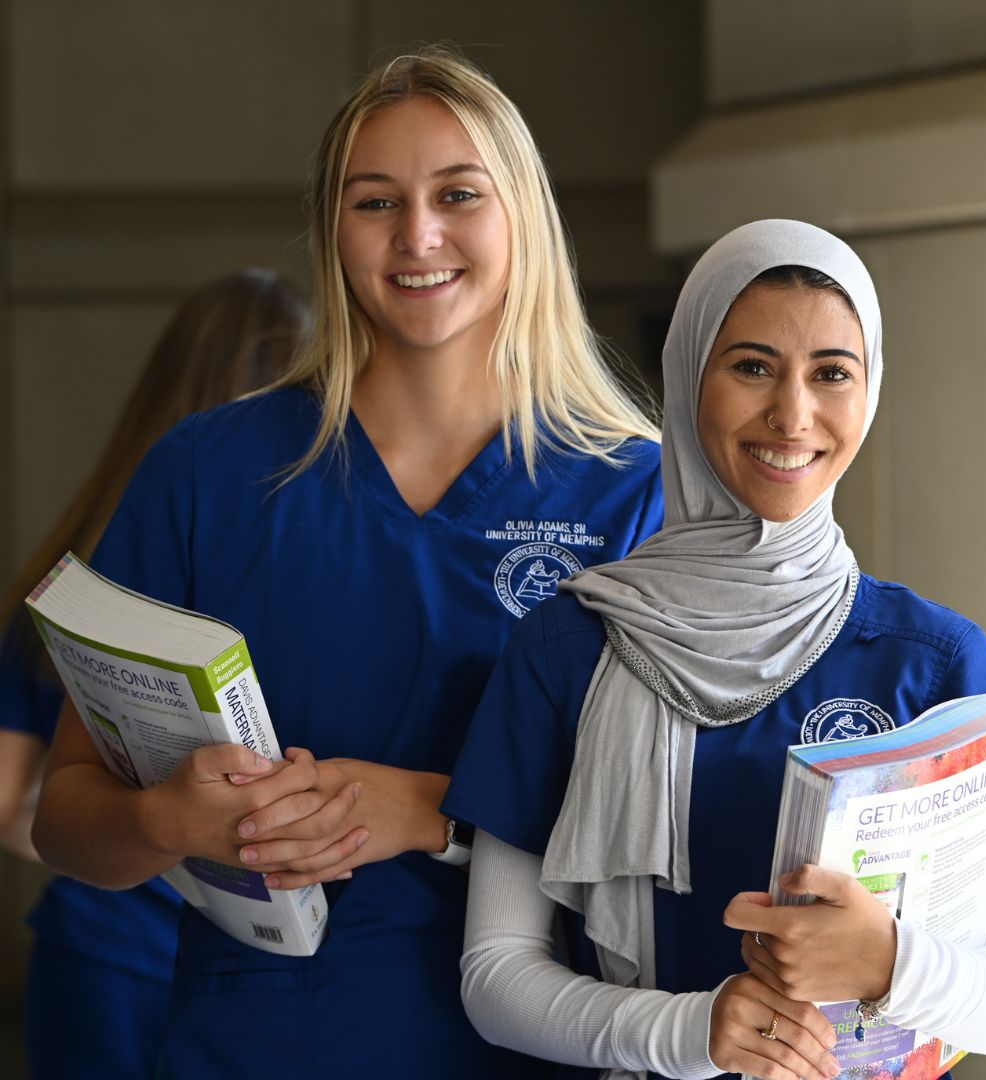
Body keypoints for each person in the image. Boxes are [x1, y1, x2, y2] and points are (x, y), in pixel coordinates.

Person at [31, 48, 664, 1079]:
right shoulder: (207, 474)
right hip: (259, 1042)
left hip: (536, 1043)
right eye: (377, 202)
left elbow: (683, 823)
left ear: (524, 219)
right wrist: (161, 818)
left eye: (458, 195)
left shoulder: (632, 494)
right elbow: (65, 821)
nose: (418, 236)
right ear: (334, 228)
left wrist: (435, 811)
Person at [445, 219, 986, 1080]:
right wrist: (692, 1031)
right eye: (751, 367)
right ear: (686, 379)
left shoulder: (933, 659)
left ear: (871, 390)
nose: (792, 414)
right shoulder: (568, 646)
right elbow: (495, 976)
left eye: (832, 374)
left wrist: (887, 960)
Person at [0, 267, 310, 1078]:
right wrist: (173, 827)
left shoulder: (76, 558)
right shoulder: (268, 551)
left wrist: (113, 826)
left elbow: (5, 802)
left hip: (99, 943)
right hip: (228, 954)